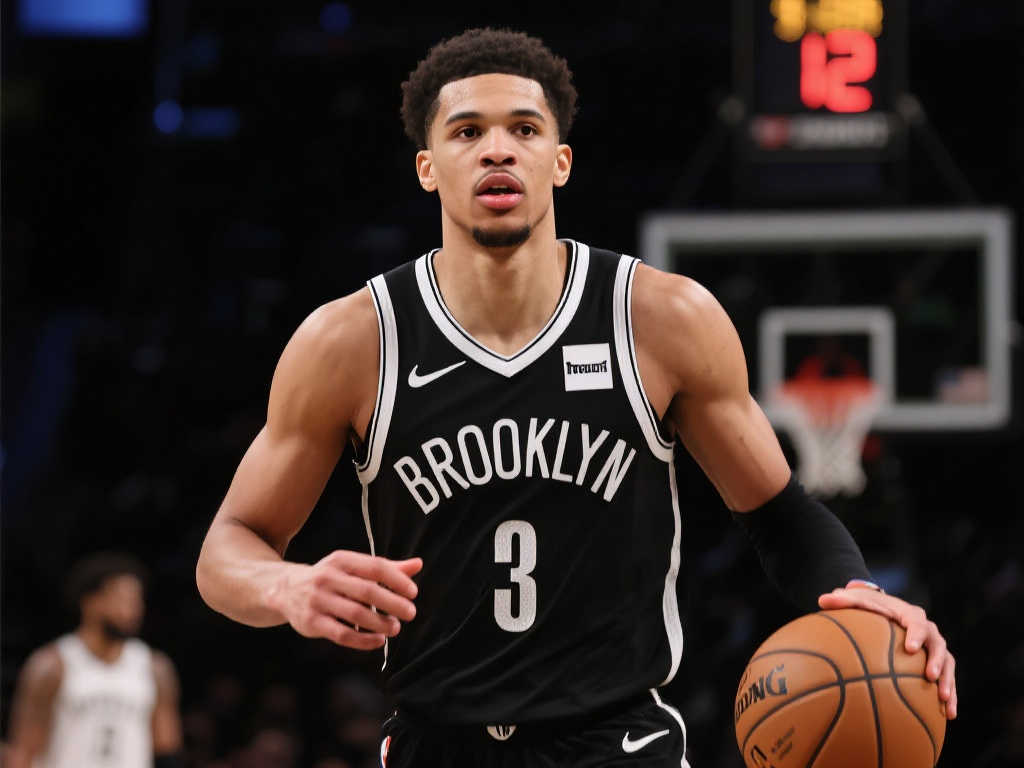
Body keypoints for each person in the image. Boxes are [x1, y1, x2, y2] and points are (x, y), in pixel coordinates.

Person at [196, 27, 957, 766]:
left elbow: (779, 516)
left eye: (524, 129)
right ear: (427, 167)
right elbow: (228, 547)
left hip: (616, 743)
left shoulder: (660, 319)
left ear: (559, 161)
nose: (498, 149)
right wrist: (288, 584)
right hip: (436, 741)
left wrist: (863, 594)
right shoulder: (352, 341)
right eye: (467, 132)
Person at [8, 552, 184, 768]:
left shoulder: (154, 667)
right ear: (90, 602)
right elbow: (24, 751)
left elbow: (167, 749)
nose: (133, 609)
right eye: (122, 599)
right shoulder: (52, 664)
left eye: (137, 600)